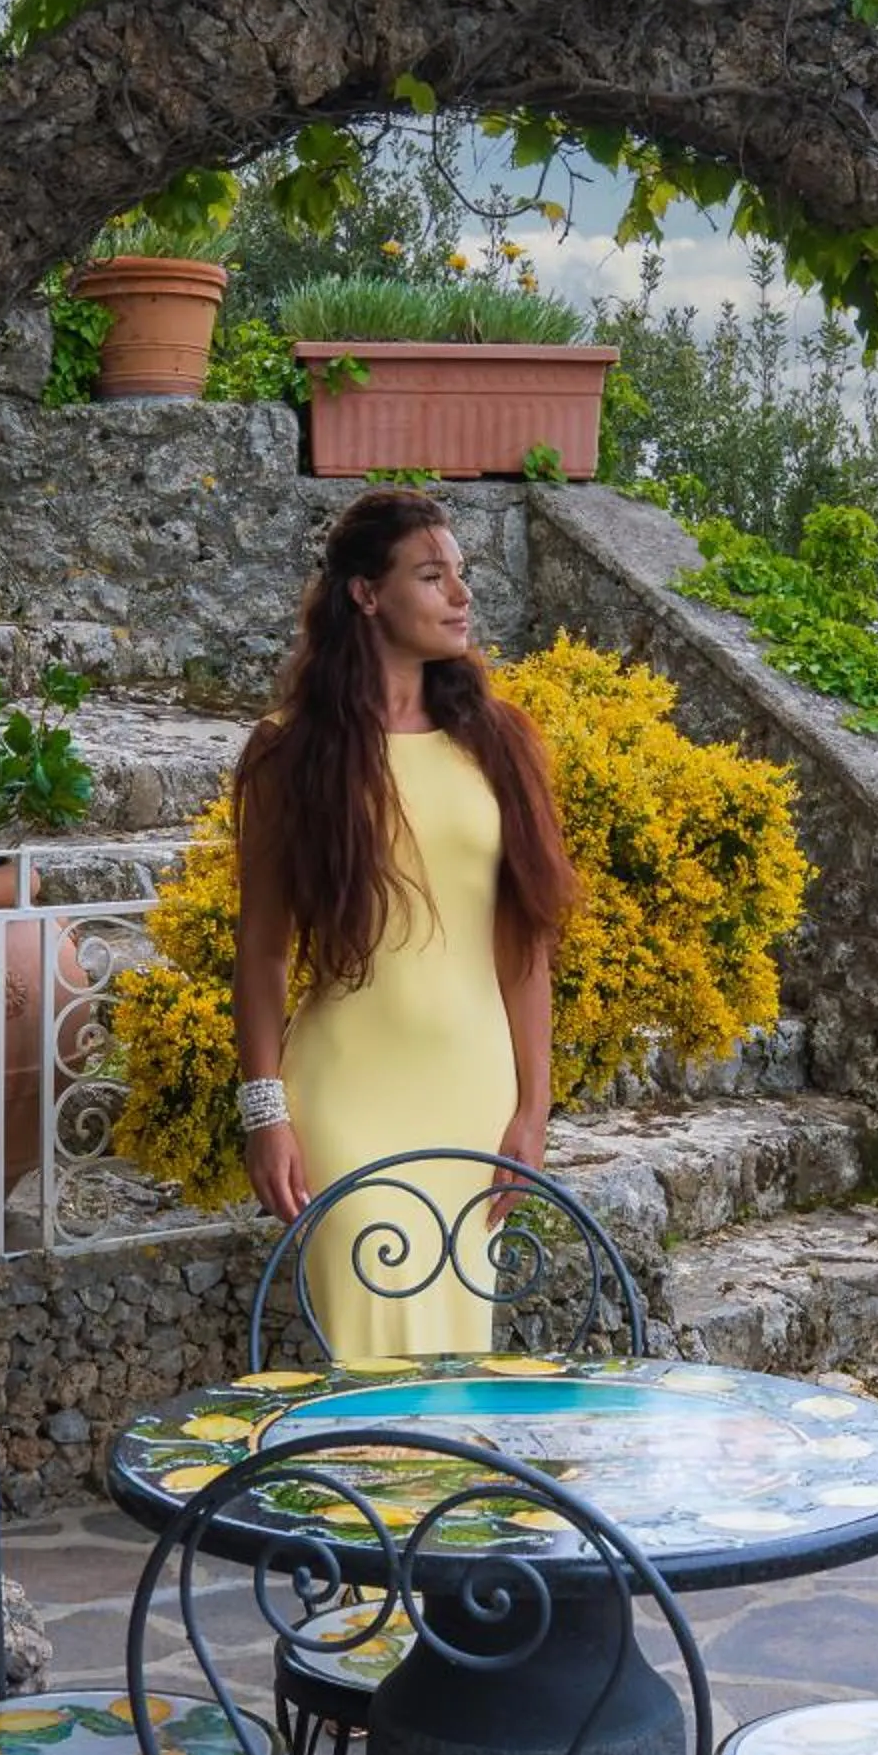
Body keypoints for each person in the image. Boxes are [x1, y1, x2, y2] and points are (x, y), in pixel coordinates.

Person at [230, 490, 577, 1358]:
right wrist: (264, 1112)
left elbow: (524, 945)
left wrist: (534, 1110)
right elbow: (263, 953)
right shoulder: (289, 752)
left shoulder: (497, 742)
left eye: (461, 575)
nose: (461, 595)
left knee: (457, 1358)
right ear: (366, 594)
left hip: (472, 1092)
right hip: (346, 1092)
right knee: (370, 1349)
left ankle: (443, 1496)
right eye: (432, 576)